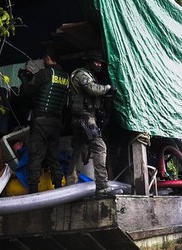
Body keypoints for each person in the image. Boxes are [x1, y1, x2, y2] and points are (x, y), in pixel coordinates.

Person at [67, 55, 120, 195]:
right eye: (96, 62)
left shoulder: (89, 75)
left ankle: (70, 186)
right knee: (99, 147)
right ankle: (102, 185)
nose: (99, 65)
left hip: (85, 118)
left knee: (79, 151)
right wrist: (108, 88)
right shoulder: (81, 74)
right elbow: (92, 89)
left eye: (101, 63)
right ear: (89, 62)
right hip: (84, 119)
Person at [18, 48, 69, 193]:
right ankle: (59, 187)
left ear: (47, 58)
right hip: (56, 122)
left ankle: (33, 190)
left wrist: (23, 78)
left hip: (41, 120)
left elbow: (28, 91)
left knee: (36, 155)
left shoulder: (45, 73)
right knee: (53, 156)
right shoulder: (65, 77)